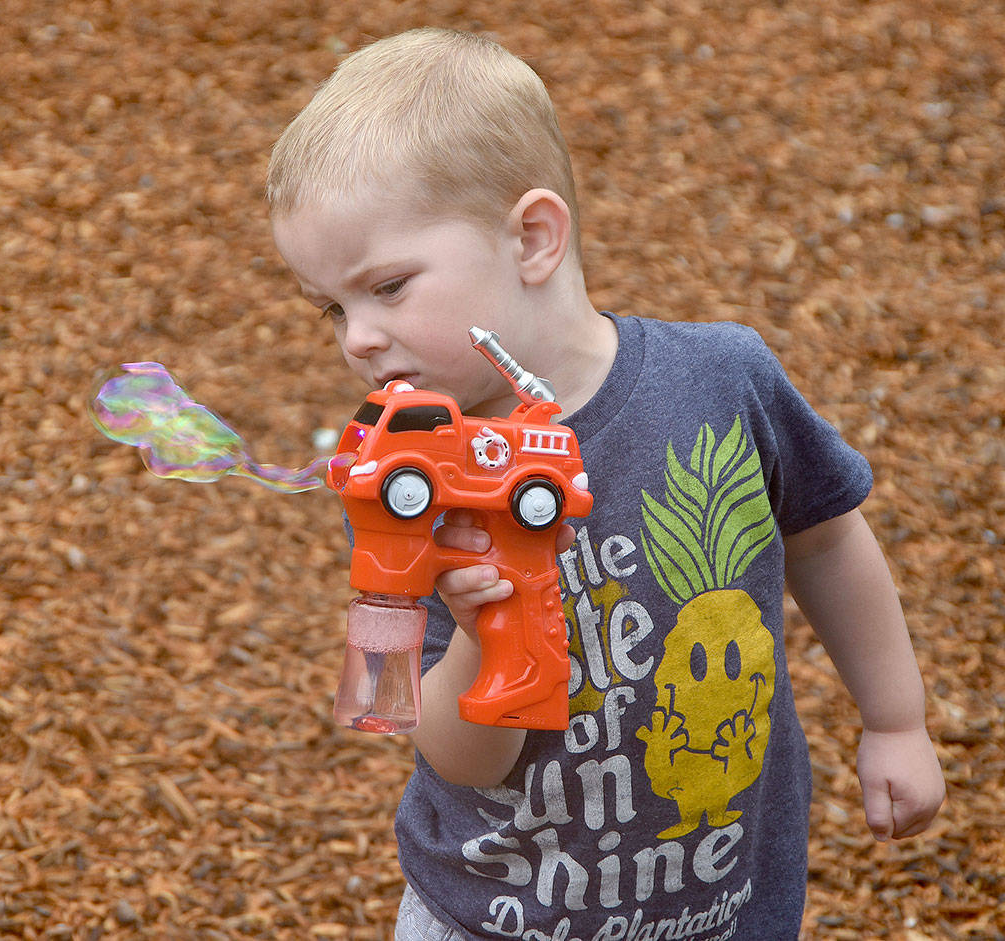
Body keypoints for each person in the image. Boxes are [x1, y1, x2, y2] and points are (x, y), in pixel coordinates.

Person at [266, 27, 944, 941]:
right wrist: (476, 638)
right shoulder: (404, 476)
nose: (356, 337)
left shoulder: (722, 379)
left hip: (719, 906)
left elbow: (826, 536)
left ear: (534, 237)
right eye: (333, 307)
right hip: (489, 917)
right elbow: (445, 750)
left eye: (387, 286)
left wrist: (896, 718)